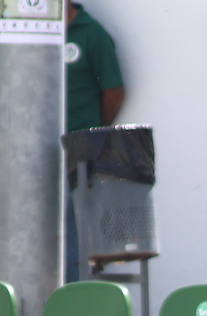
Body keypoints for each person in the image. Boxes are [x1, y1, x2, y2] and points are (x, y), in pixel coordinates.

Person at [63, 2, 125, 283]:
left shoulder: (91, 34)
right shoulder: (35, 32)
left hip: (80, 145)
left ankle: (77, 297)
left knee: (75, 225)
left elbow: (114, 92)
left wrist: (92, 135)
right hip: (38, 150)